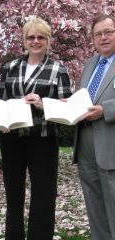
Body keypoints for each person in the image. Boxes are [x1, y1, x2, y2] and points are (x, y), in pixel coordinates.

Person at [0, 17, 74, 240]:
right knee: (14, 195)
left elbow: (68, 109)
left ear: (48, 41)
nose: (36, 41)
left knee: (44, 195)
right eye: (31, 37)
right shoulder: (10, 67)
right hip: (13, 138)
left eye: (41, 37)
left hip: (44, 139)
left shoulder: (59, 69)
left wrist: (42, 104)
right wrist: (0, 118)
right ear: (24, 40)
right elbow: (1, 100)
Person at [73, 14, 115, 240]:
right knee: (95, 209)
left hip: (111, 145)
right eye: (98, 34)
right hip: (87, 146)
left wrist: (106, 110)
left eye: (108, 32)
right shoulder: (90, 64)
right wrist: (69, 106)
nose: (103, 37)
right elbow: (86, 98)